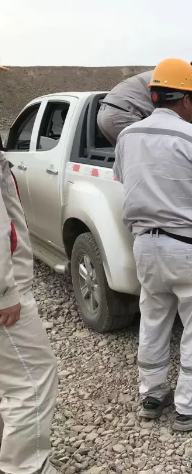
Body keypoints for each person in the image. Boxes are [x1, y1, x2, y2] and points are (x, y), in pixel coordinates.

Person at [113, 58, 192, 432]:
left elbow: (122, 177)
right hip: (190, 249)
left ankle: (152, 395)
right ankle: (189, 407)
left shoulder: (128, 136)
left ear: (155, 95)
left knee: (153, 320)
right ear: (187, 99)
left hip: (145, 246)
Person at [1, 145, 58, 473]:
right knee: (33, 379)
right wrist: (5, 292)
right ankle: (27, 466)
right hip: (7, 292)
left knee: (10, 377)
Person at [98, 58, 192, 146]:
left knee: (131, 158)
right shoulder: (176, 81)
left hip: (106, 112)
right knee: (157, 155)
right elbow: (172, 117)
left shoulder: (165, 74)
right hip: (123, 115)